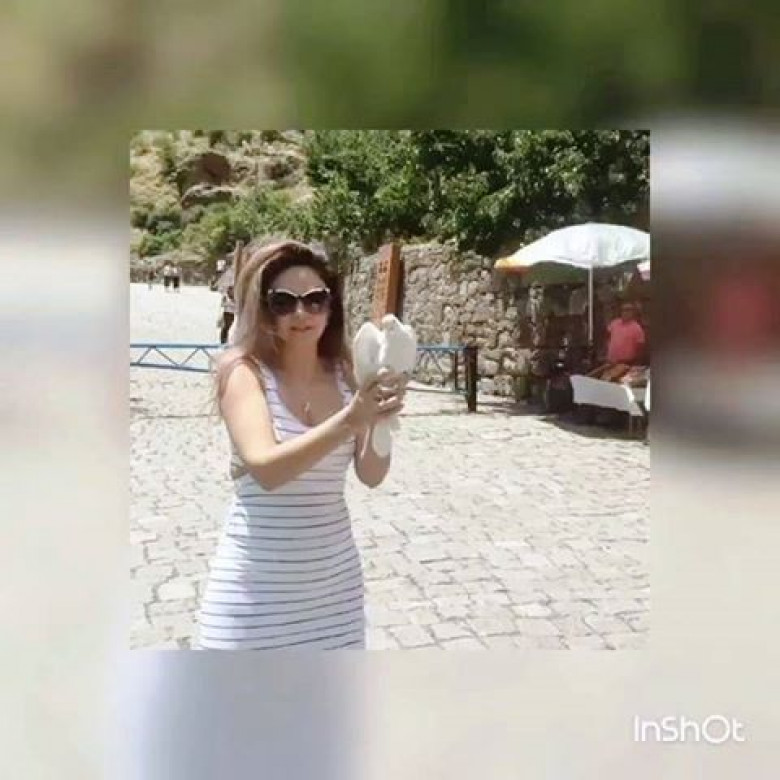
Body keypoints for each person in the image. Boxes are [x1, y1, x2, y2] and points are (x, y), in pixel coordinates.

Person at [198, 239, 407, 650]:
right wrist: (351, 419)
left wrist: (381, 421)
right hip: (254, 597)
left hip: (334, 594)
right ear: (263, 309)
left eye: (315, 300)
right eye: (283, 302)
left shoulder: (346, 373)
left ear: (331, 306)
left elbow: (371, 474)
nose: (301, 313)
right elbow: (267, 468)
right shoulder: (243, 373)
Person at [589, 301, 646, 380]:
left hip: (626, 363)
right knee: (602, 380)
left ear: (633, 312)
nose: (625, 312)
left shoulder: (637, 328)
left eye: (628, 310)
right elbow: (607, 336)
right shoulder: (614, 323)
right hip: (610, 362)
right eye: (623, 310)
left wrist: (636, 365)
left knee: (617, 382)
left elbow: (640, 347)